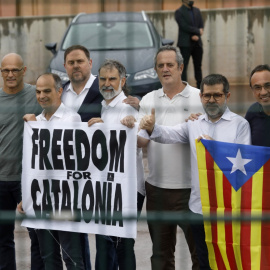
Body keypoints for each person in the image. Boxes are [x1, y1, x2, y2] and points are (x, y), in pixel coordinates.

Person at [139, 73, 251, 269]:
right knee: (203, 261)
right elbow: (169, 135)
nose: (211, 100)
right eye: (207, 95)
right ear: (201, 97)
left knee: (229, 261)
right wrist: (152, 127)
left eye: (217, 95)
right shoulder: (194, 123)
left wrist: (215, 147)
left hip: (228, 209)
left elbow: (245, 169)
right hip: (198, 207)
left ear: (228, 96)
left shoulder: (240, 125)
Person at [137, 45, 201, 270]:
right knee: (161, 257)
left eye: (170, 65)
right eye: (160, 65)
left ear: (181, 67)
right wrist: (131, 128)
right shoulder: (147, 100)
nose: (165, 69)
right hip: (158, 190)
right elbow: (141, 142)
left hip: (192, 190)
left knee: (200, 256)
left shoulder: (199, 97)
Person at [22, 73, 85, 270]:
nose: (41, 96)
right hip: (41, 199)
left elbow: (59, 155)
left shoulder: (72, 118)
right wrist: (26, 196)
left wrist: (35, 127)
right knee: (48, 256)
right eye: (38, 92)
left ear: (59, 91)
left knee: (72, 257)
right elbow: (31, 164)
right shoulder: (36, 120)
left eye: (46, 91)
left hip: (66, 200)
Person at [88, 59, 145, 270]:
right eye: (102, 78)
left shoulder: (128, 108)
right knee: (105, 245)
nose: (107, 83)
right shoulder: (102, 106)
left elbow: (138, 138)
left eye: (112, 79)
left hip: (127, 191)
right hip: (105, 189)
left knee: (122, 246)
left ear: (123, 80)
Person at [62, 45, 104, 270]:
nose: (76, 66)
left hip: (100, 177)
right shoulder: (60, 92)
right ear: (65, 66)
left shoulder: (106, 86)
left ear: (90, 62)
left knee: (105, 239)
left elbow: (126, 108)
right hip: (67, 178)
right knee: (72, 237)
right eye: (71, 62)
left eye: (80, 61)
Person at [0, 53, 42, 270]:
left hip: (28, 181)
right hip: (1, 180)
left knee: (37, 236)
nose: (10, 74)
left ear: (24, 71)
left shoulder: (37, 96)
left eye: (15, 70)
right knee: (3, 240)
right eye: (5, 70)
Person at [175, 0, 204, 89]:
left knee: (198, 66)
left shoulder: (197, 10)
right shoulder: (179, 12)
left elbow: (201, 25)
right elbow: (183, 26)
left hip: (197, 43)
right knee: (184, 67)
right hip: (185, 44)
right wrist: (195, 33)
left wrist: (197, 34)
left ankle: (200, 87)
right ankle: (184, 88)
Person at [245, 64, 270, 146]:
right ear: (252, 91)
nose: (264, 92)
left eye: (268, 85)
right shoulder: (252, 112)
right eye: (257, 87)